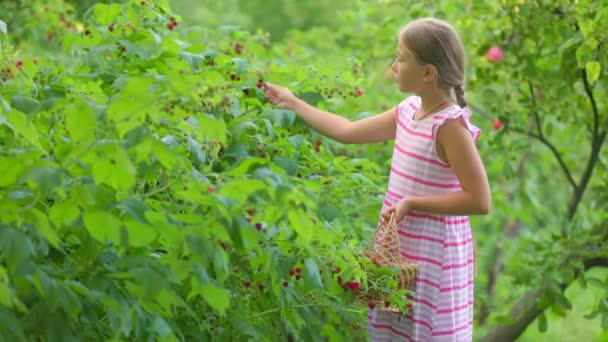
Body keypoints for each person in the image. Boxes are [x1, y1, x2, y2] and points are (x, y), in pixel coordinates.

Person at [265, 17, 491, 342]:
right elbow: (347, 131)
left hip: (433, 254)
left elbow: (479, 200)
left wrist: (413, 203)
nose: (393, 66)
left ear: (428, 73)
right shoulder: (409, 110)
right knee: (393, 329)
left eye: (400, 58)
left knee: (426, 332)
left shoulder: (449, 127)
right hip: (398, 247)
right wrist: (292, 102)